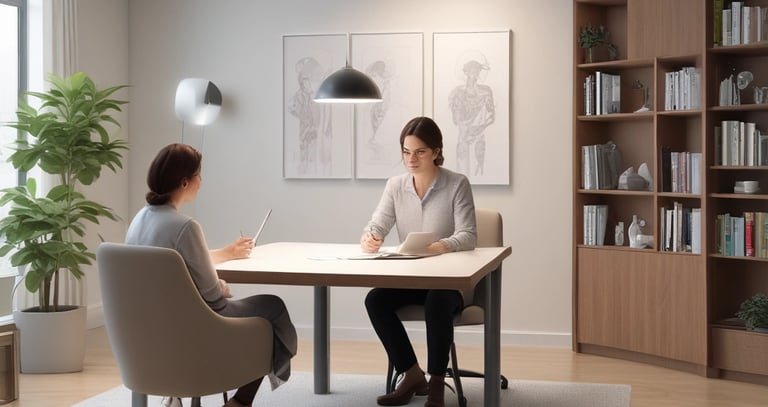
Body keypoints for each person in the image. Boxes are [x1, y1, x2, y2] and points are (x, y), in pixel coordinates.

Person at [125, 143, 298, 407]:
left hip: (150, 327)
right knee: (273, 308)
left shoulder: (140, 220)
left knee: (266, 309)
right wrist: (220, 286)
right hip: (196, 326)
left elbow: (173, 263)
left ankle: (174, 395)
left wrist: (227, 253)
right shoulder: (185, 227)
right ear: (185, 182)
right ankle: (240, 401)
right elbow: (213, 298)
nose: (201, 182)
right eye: (199, 175)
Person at [361, 117, 477, 407]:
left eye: (419, 152)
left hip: (450, 284)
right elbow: (377, 224)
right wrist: (370, 237)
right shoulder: (395, 186)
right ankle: (412, 374)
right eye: (406, 152)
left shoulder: (456, 184)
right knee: (375, 300)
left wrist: (442, 246)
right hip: (412, 280)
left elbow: (468, 235)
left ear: (436, 151)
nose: (411, 159)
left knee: (437, 300)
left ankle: (436, 382)